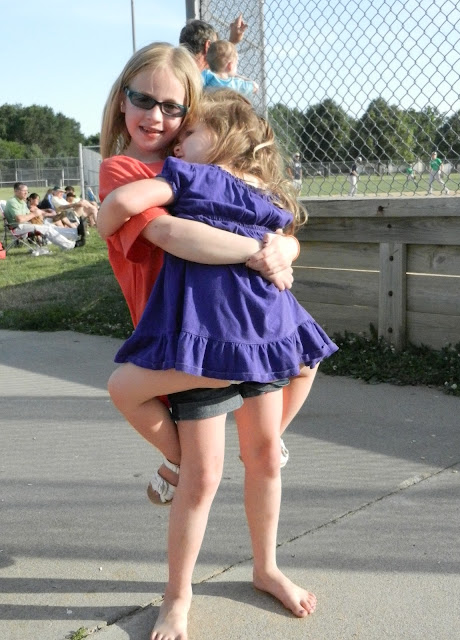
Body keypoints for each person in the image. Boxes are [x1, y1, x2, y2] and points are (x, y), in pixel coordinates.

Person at [97, 43, 322, 640]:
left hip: (249, 333)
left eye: (176, 110)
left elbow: (282, 224)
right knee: (202, 476)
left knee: (264, 457)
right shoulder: (141, 171)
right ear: (121, 101)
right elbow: (170, 234)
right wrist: (260, 251)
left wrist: (283, 246)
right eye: (143, 100)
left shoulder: (217, 172)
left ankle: (266, 567)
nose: (159, 118)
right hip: (190, 340)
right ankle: (178, 595)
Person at [3, 182, 82, 250]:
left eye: (27, 191)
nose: (26, 193)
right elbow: (19, 219)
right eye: (24, 191)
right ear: (16, 191)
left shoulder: (22, 202)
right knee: (47, 229)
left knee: (50, 227)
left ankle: (76, 232)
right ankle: (71, 245)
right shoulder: (12, 202)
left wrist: (45, 212)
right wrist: (35, 214)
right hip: (18, 228)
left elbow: (29, 214)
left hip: (26, 225)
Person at [179, 13, 248, 71]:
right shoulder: (206, 78)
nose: (218, 52)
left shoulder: (178, 71)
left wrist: (232, 42)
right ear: (208, 46)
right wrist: (232, 43)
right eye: (216, 47)